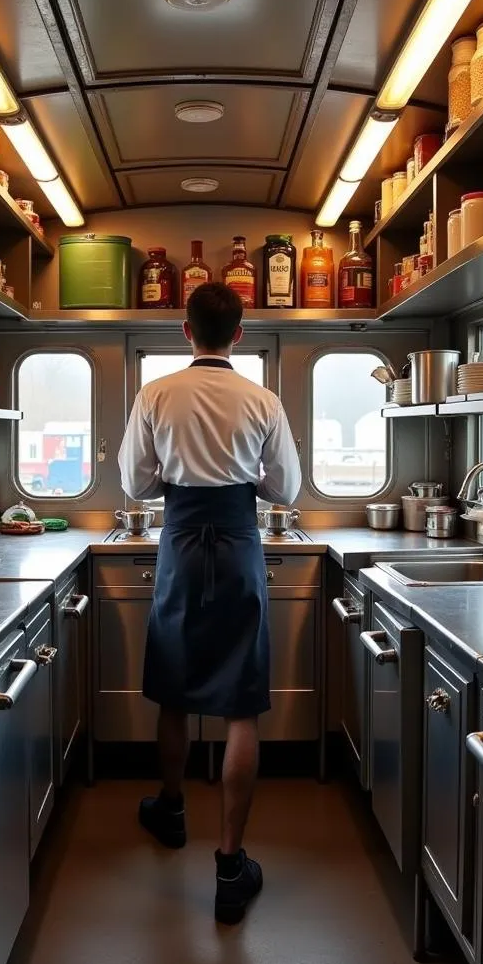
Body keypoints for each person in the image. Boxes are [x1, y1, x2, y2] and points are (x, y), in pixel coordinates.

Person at [118, 281, 301, 924]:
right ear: (240, 334)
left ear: (186, 331)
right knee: (242, 703)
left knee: (173, 687)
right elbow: (285, 488)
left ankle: (170, 809)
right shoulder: (263, 399)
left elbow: (136, 484)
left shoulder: (154, 394)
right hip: (240, 546)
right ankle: (230, 864)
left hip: (180, 546)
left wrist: (178, 474)